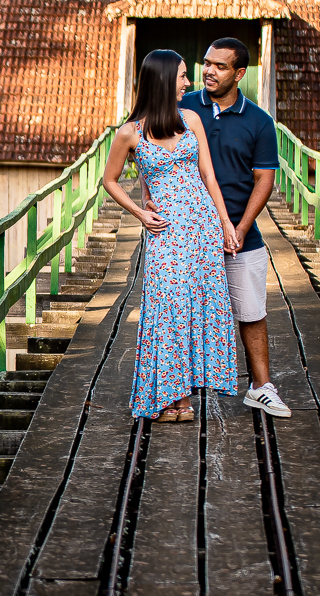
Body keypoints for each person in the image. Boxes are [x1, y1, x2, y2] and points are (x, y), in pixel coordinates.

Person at [101, 49, 239, 422]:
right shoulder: (130, 132)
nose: (188, 83)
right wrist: (140, 211)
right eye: (181, 76)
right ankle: (164, 397)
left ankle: (184, 400)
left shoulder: (191, 119)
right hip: (165, 230)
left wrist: (226, 223)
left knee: (198, 306)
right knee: (167, 308)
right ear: (163, 80)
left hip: (202, 227)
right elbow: (109, 180)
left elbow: (208, 175)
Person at [168, 37, 291, 417]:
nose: (208, 71)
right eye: (206, 63)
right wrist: (147, 196)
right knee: (181, 311)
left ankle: (261, 387)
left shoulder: (259, 121)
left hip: (241, 233)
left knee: (251, 311)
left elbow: (264, 179)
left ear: (239, 74)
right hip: (187, 234)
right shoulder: (181, 107)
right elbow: (142, 143)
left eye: (220, 66)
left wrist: (240, 227)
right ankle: (176, 392)